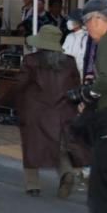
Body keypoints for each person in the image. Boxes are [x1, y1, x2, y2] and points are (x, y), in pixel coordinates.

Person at [13, 25, 87, 197]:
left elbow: (21, 85)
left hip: (36, 110)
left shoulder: (31, 60)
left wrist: (15, 103)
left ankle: (32, 185)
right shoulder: (69, 61)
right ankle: (66, 173)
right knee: (59, 146)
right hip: (63, 111)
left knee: (31, 145)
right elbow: (76, 86)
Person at [77, 0, 107, 213]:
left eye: (87, 22)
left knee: (102, 186)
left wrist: (89, 93)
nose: (86, 28)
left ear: (98, 19)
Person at [64, 10, 90, 81]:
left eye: (71, 20)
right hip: (67, 73)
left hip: (80, 74)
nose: (68, 22)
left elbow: (82, 57)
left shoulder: (86, 37)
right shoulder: (69, 36)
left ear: (79, 22)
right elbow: (64, 53)